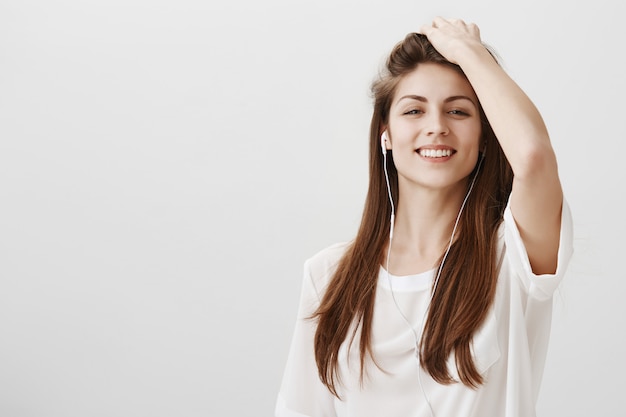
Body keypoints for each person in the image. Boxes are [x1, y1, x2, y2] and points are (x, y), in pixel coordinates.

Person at [275, 17, 573, 417]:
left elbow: (534, 157)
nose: (436, 127)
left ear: (486, 135)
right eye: (414, 111)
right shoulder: (327, 276)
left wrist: (471, 53)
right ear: (386, 133)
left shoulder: (512, 259)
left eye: (458, 112)